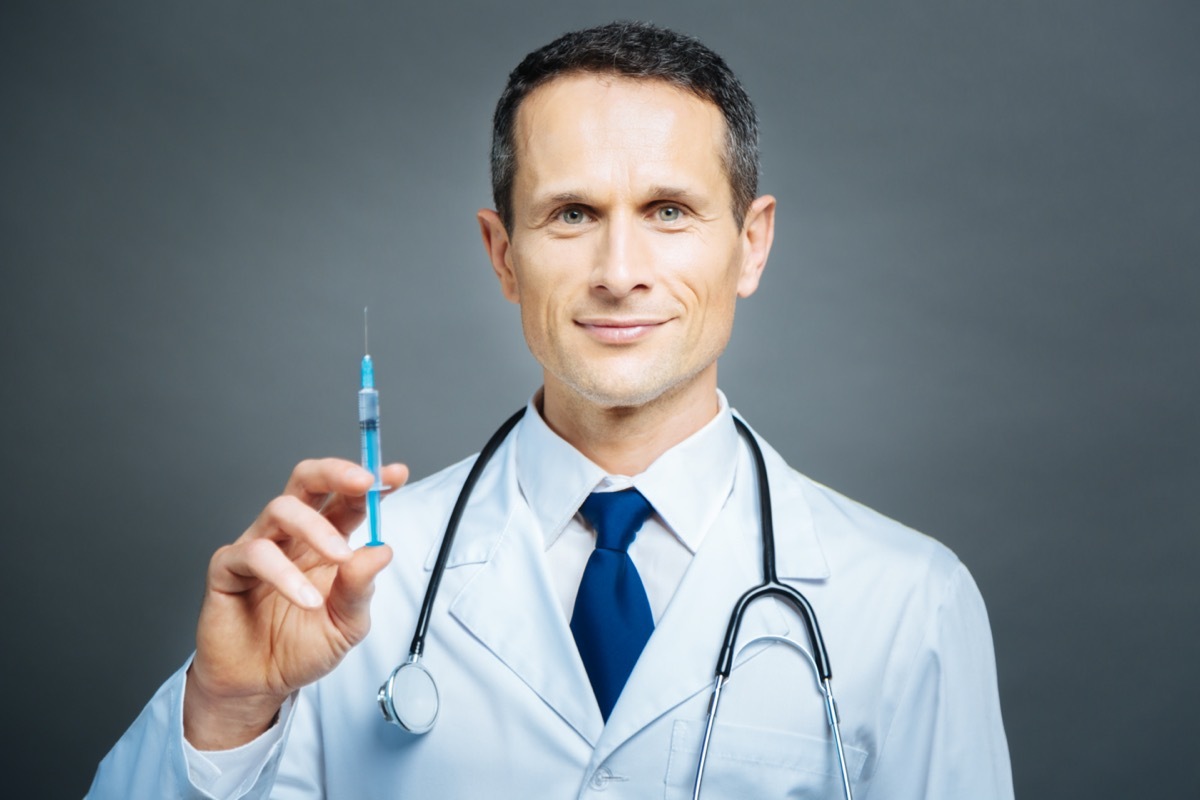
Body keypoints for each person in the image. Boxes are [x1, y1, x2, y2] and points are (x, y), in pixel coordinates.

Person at [89, 21, 1013, 799]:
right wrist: (226, 711)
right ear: (502, 254)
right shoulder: (346, 591)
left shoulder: (910, 604)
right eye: (571, 214)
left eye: (669, 211)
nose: (618, 272)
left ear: (751, 244)